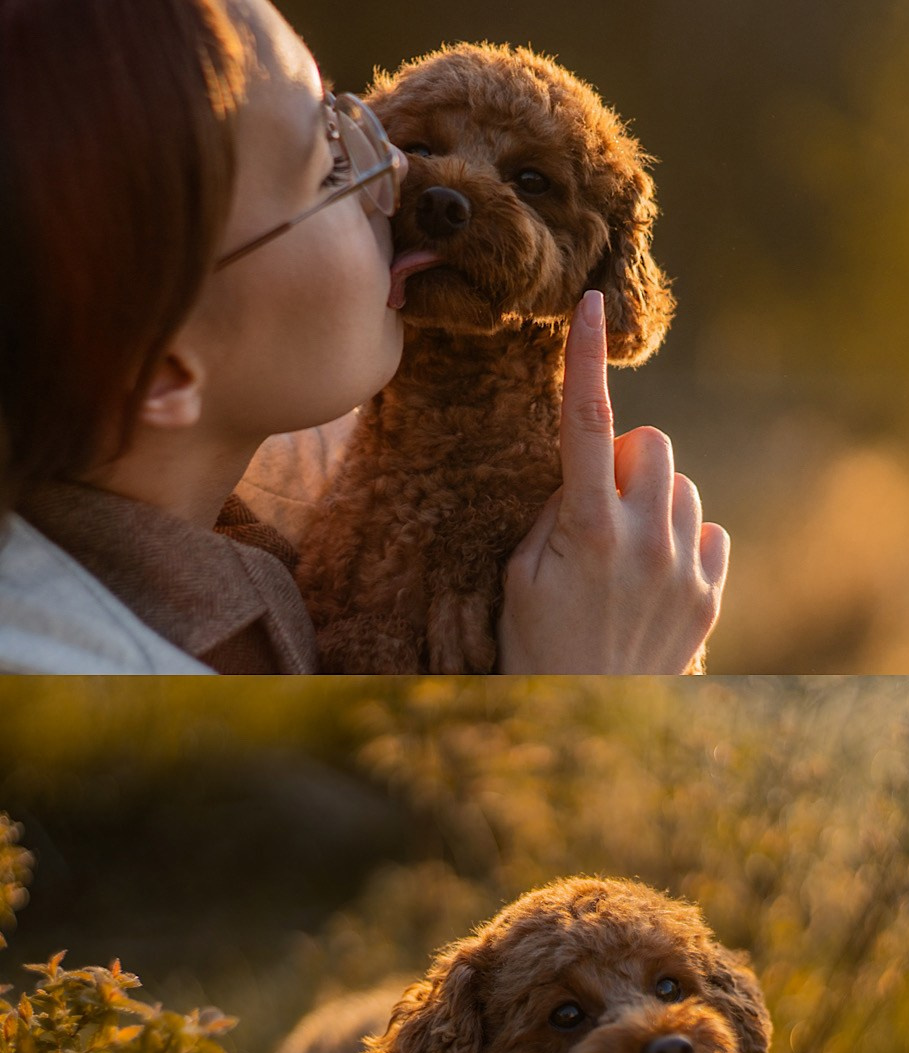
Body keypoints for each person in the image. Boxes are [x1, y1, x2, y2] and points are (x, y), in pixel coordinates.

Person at [0, 0, 729, 675]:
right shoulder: (58, 658)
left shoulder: (266, 474)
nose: (397, 180)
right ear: (157, 368)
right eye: (329, 167)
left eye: (357, 126)